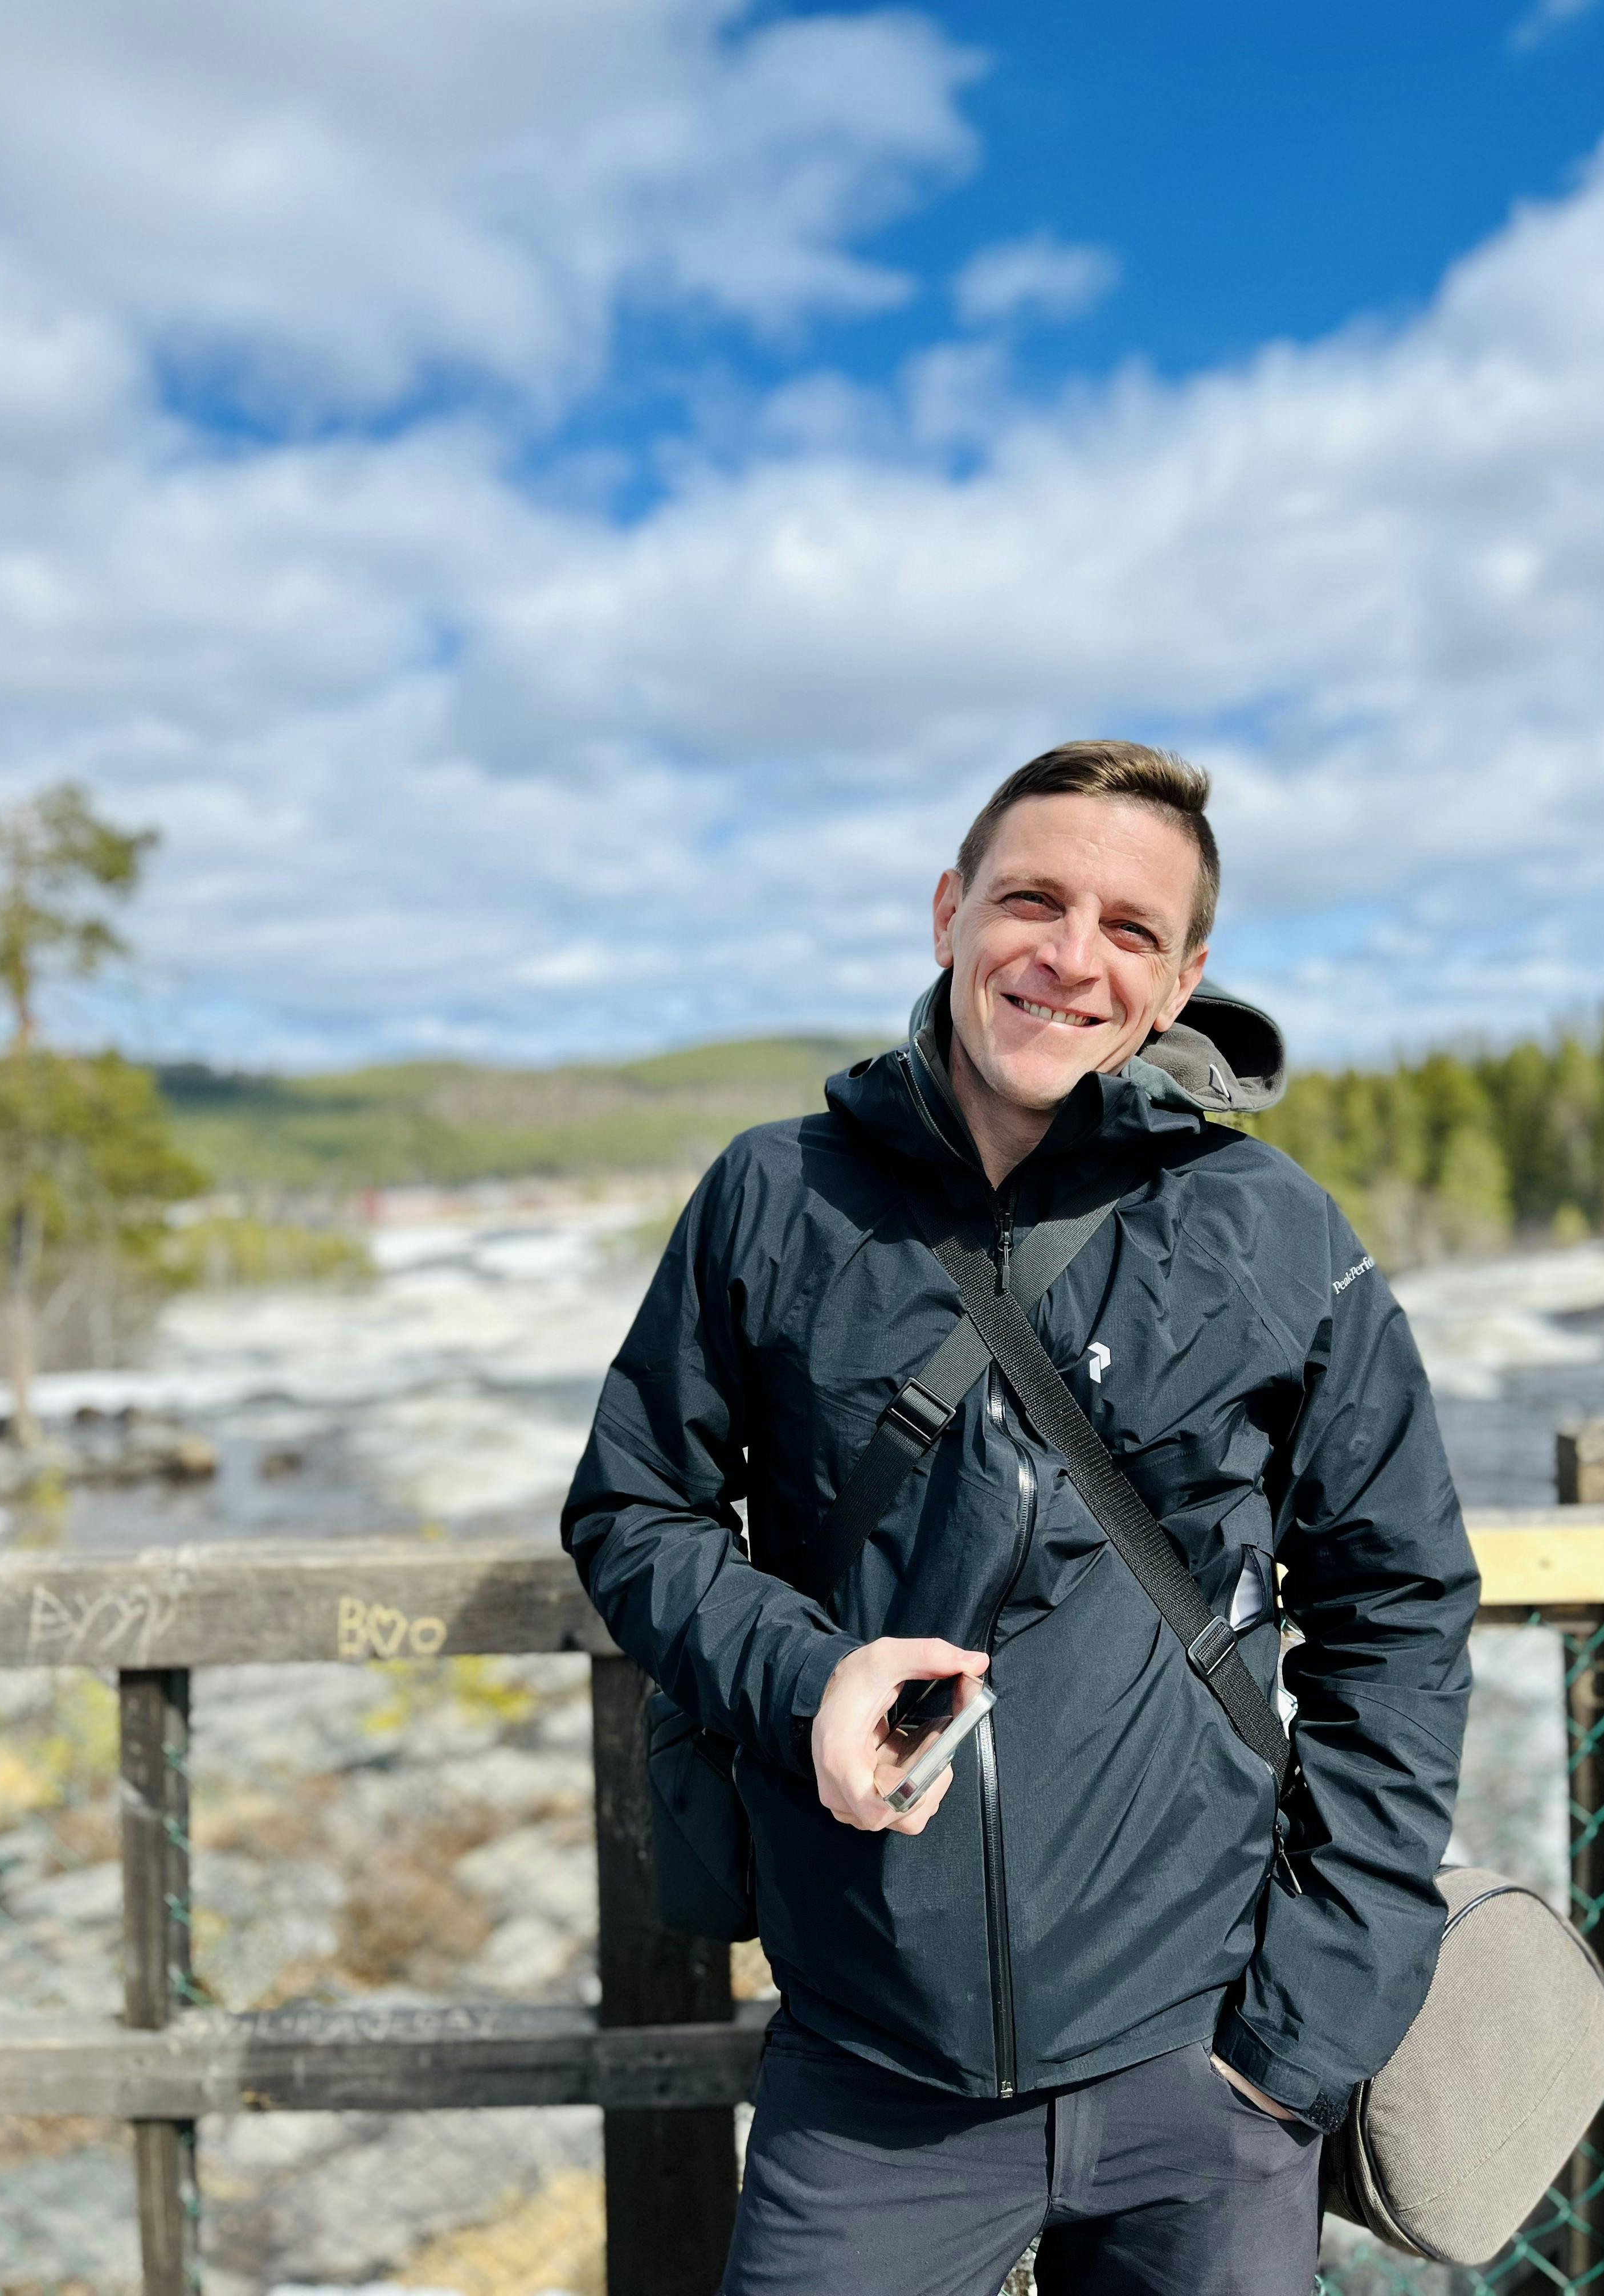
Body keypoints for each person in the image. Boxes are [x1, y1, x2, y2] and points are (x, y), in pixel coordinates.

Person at [562, 741, 1479, 2296]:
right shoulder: (773, 1198)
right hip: (867, 2081)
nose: (1071, 956)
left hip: (1207, 2067)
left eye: (1131, 929)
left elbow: (1398, 1607)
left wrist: (1304, 2032)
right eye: (1033, 900)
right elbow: (637, 1506)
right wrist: (804, 1678)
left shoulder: (1274, 1231)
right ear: (947, 913)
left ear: (1185, 977)